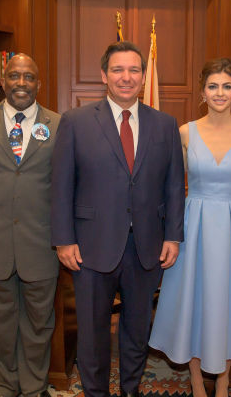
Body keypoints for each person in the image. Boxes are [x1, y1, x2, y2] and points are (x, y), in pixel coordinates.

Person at [51, 41, 185, 397]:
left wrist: (173, 236)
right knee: (92, 332)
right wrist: (64, 239)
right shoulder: (76, 122)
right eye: (118, 70)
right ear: (104, 75)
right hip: (90, 247)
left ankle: (130, 389)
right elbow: (61, 185)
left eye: (134, 70)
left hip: (146, 247)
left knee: (137, 330)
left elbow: (174, 186)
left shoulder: (165, 124)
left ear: (143, 76)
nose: (126, 77)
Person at [149, 58, 231, 397]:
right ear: (202, 92)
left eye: (227, 86)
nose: (220, 93)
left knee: (228, 300)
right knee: (194, 300)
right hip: (194, 225)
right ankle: (197, 380)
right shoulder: (185, 132)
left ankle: (224, 379)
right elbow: (172, 186)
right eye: (213, 86)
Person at [0, 53, 60, 397]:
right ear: (3, 81)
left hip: (42, 243)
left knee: (39, 323)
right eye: (14, 76)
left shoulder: (58, 124)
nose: (21, 83)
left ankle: (34, 387)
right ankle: (5, 385)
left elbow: (63, 187)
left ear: (38, 84)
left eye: (29, 77)